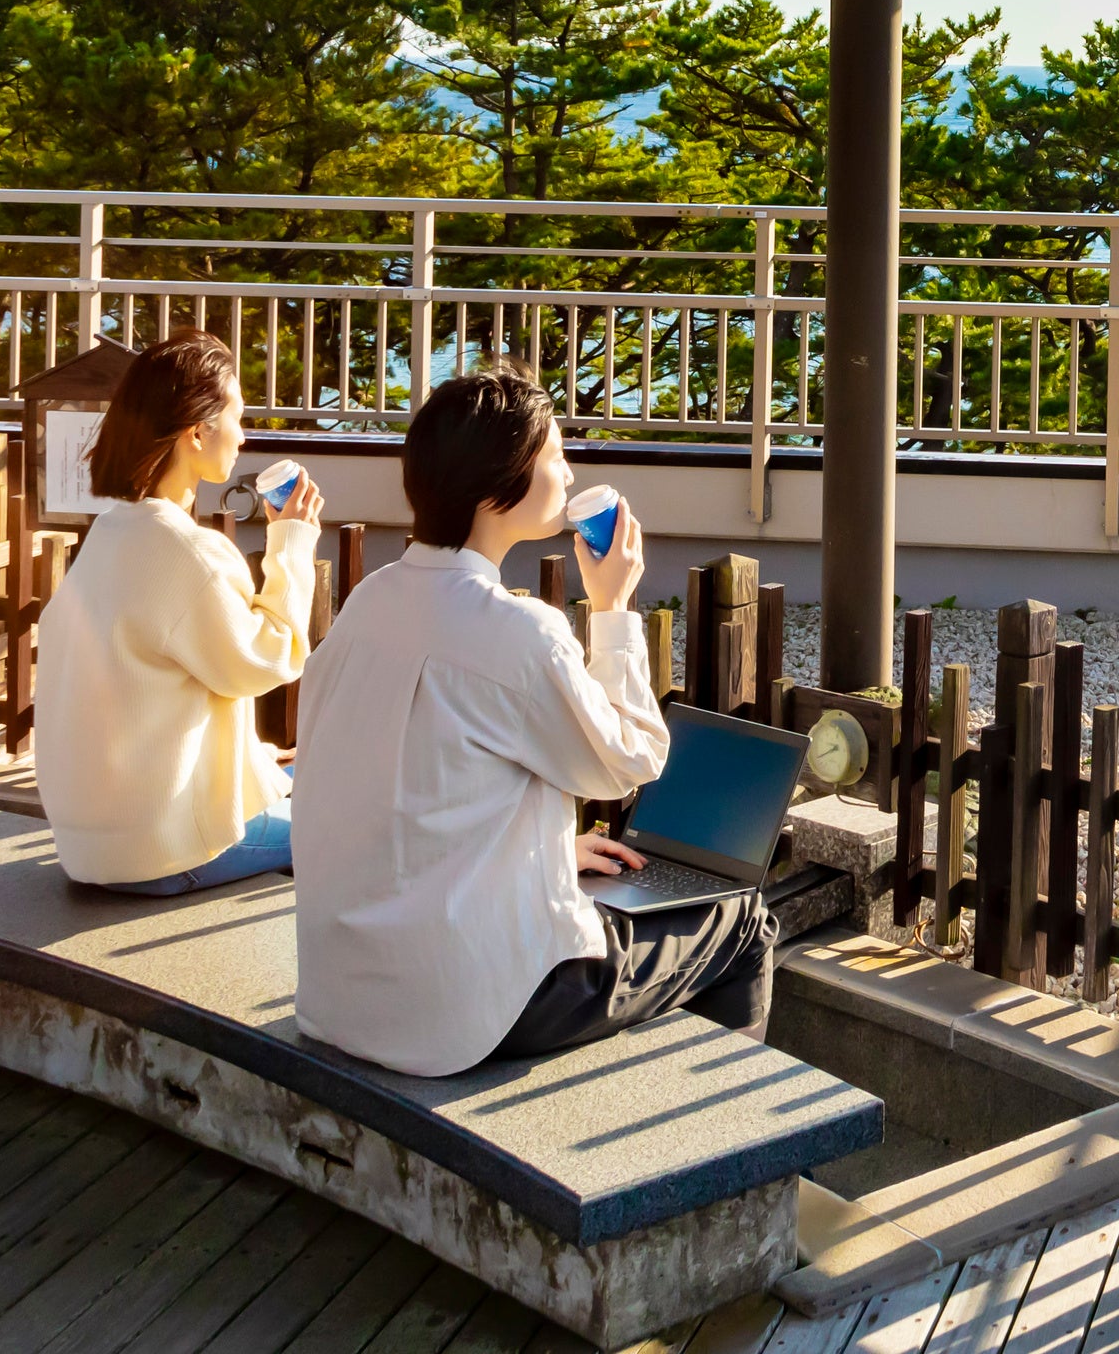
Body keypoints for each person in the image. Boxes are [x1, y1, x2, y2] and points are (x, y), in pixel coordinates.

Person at [292, 366, 774, 1078]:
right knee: (745, 924)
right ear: (500, 485)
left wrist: (546, 851)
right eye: (554, 454)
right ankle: (716, 1157)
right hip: (468, 1009)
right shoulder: (520, 631)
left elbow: (406, 789)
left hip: (342, 996)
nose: (569, 470)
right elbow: (633, 758)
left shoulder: (371, 602)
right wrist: (612, 609)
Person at [31, 328, 322, 895]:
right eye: (237, 417)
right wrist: (292, 540)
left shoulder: (113, 531)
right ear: (197, 431)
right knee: (346, 816)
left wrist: (253, 758)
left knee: (292, 773)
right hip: (161, 851)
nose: (243, 436)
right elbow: (270, 659)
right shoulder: (187, 551)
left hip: (90, 846)